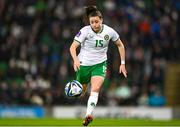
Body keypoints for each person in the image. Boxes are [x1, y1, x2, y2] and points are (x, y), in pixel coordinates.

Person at [69, 6, 127, 126]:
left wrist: (122, 64)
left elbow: (120, 45)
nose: (94, 24)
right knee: (81, 93)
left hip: (100, 65)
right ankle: (77, 92)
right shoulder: (85, 31)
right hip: (83, 64)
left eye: (96, 21)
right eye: (92, 22)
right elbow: (73, 47)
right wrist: (75, 60)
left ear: (101, 20)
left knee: (95, 89)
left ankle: (88, 114)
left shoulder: (109, 31)